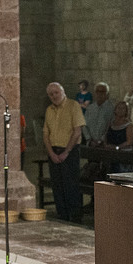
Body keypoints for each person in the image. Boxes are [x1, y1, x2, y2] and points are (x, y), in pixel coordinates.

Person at [43, 82, 85, 222]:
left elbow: (77, 131)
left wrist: (66, 152)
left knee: (70, 184)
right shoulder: (49, 110)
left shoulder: (73, 106)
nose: (54, 96)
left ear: (63, 92)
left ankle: (74, 215)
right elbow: (45, 134)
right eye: (51, 94)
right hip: (54, 151)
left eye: (56, 93)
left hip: (70, 151)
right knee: (57, 184)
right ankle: (62, 214)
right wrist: (51, 153)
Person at [83, 82, 114, 146]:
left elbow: (111, 126)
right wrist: (89, 139)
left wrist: (101, 140)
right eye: (97, 91)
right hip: (90, 143)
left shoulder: (111, 109)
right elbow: (84, 125)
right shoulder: (90, 108)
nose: (99, 94)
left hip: (105, 143)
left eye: (102, 91)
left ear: (107, 94)